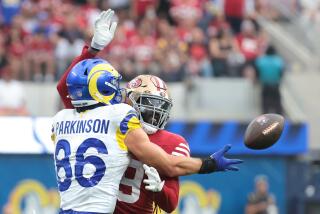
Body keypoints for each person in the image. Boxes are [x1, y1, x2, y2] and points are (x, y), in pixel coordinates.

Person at [55, 9, 243, 214]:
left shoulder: (64, 118)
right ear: (129, 101)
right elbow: (171, 166)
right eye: (147, 105)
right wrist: (210, 164)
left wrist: (93, 49)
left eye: (160, 107)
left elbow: (68, 86)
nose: (154, 113)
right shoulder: (117, 117)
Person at [255, 45, 284, 114]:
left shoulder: (261, 60)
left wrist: (258, 79)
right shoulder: (278, 61)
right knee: (277, 102)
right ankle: (278, 117)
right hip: (275, 84)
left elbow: (257, 72)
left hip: (265, 85)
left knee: (265, 103)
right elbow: (281, 72)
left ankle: (265, 117)